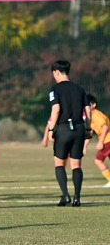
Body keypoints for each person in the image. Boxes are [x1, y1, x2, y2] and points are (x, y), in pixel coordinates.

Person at [47, 60, 91, 207]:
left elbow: (56, 109)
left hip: (64, 129)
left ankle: (65, 195)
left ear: (56, 72)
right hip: (79, 128)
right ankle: (77, 198)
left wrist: (51, 129)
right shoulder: (79, 89)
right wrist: (88, 128)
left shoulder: (55, 89)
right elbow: (88, 110)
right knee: (76, 165)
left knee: (59, 163)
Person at [83, 95, 110, 187]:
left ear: (93, 105)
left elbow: (105, 126)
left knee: (98, 161)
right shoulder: (90, 117)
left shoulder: (96, 114)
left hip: (108, 140)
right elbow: (89, 133)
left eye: (88, 104)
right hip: (106, 140)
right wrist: (84, 147)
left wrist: (101, 141)